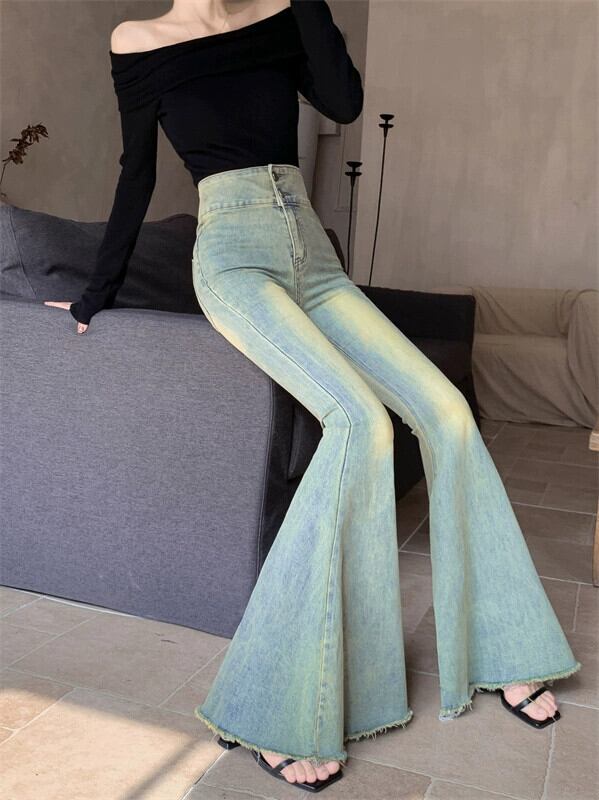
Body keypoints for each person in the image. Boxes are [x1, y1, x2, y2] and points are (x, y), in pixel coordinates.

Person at [45, 0, 582, 793]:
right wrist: (98, 293)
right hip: (233, 256)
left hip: (313, 257)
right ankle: (274, 703)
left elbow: (344, 103)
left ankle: (505, 646)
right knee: (358, 421)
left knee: (445, 412)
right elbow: (137, 171)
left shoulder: (279, 14)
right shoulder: (138, 40)